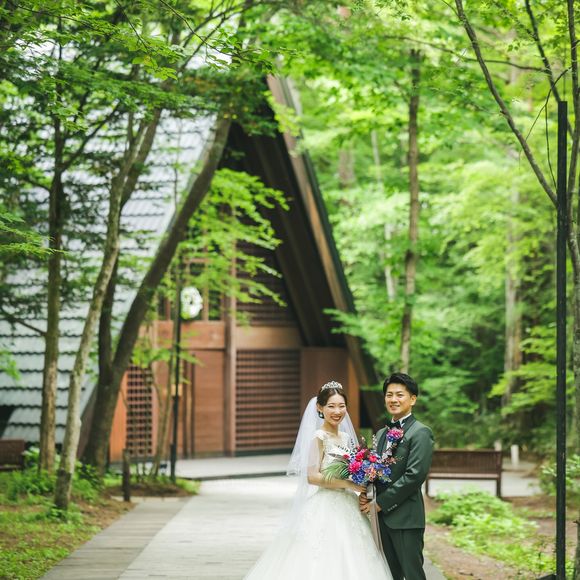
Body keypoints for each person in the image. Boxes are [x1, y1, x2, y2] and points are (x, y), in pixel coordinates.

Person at [244, 380, 393, 580]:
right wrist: (349, 484)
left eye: (341, 406)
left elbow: (352, 469)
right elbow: (312, 476)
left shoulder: (346, 438)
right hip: (325, 503)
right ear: (320, 408)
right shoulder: (318, 437)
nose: (337, 411)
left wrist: (365, 479)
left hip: (348, 503)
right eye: (331, 406)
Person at [360, 373, 434, 580]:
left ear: (413, 399)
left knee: (412, 575)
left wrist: (380, 503)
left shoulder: (421, 432)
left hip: (406, 519)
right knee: (387, 574)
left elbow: (414, 476)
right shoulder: (381, 433)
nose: (393, 399)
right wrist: (365, 493)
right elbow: (374, 471)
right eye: (389, 395)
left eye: (399, 395)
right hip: (380, 519)